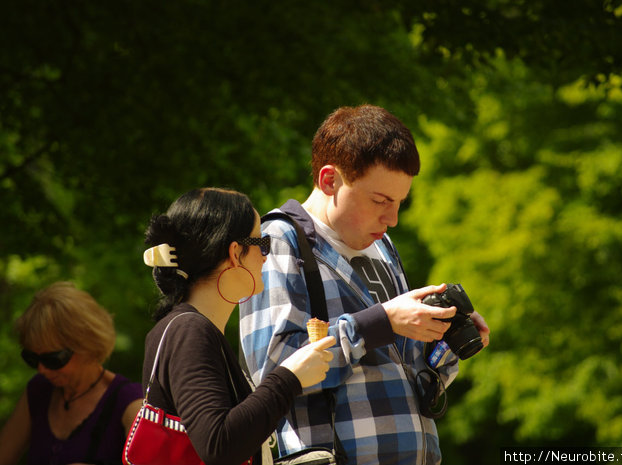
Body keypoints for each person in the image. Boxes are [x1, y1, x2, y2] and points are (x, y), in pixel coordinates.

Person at [239, 104, 491, 465]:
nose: (393, 218)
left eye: (400, 203)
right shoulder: (279, 240)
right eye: (380, 201)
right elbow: (273, 373)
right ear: (330, 181)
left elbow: (400, 374)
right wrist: (380, 324)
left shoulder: (381, 245)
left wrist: (446, 340)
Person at [139, 187, 335, 465]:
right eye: (261, 243)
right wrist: (290, 377)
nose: (266, 256)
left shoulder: (191, 328)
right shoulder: (189, 331)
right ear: (235, 252)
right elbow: (219, 445)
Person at [0, 281, 143, 465]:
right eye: (32, 359)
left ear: (87, 347)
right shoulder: (39, 390)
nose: (41, 369)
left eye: (53, 359)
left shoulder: (130, 402)